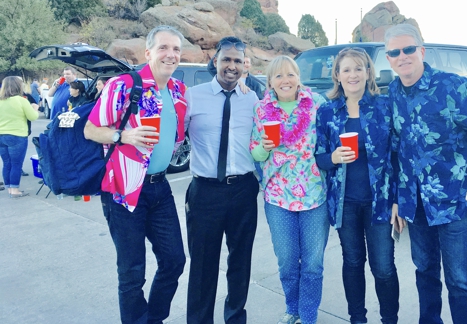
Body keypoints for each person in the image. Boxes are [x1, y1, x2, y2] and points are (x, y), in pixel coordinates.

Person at [384, 24, 467, 324]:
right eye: (394, 52)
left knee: (458, 278)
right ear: (388, 58)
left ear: (422, 51)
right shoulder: (392, 94)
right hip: (415, 205)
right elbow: (395, 150)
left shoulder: (453, 87)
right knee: (425, 271)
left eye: (408, 49)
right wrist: (396, 199)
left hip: (455, 201)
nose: (402, 56)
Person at [84, 25, 188, 324]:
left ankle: (153, 319)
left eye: (176, 49)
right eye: (163, 48)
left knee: (174, 261)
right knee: (131, 272)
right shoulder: (124, 84)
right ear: (148, 53)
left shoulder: (179, 90)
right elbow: (91, 130)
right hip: (123, 188)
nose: (170, 54)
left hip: (159, 187)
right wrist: (123, 136)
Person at [315, 48, 402, 324]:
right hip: (345, 204)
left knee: (384, 268)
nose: (352, 74)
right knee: (352, 263)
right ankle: (357, 319)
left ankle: (389, 319)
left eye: (358, 68)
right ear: (337, 75)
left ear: (368, 72)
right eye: (346, 69)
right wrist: (333, 157)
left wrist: (399, 201)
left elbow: (398, 157)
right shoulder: (327, 111)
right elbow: (318, 157)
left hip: (380, 203)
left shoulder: (384, 106)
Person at [184, 36, 259, 324]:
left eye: (237, 60)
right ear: (215, 61)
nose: (231, 65)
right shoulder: (194, 96)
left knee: (240, 263)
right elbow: (178, 133)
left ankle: (235, 318)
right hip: (205, 193)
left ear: (244, 66)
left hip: (243, 190)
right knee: (202, 266)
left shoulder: (252, 98)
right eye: (226, 59)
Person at [250, 56, 328, 324]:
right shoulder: (261, 110)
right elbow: (256, 154)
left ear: (299, 78)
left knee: (313, 264)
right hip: (277, 197)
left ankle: (308, 316)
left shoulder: (317, 104)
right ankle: (292, 308)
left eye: (291, 74)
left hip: (314, 195)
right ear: (270, 81)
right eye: (279, 76)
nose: (286, 80)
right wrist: (264, 147)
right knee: (286, 262)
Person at [0, 76, 39, 198]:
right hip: (17, 136)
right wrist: (35, 108)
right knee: (16, 164)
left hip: (1, 135)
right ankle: (15, 190)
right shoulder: (21, 100)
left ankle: (9, 189)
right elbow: (33, 117)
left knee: (7, 163)